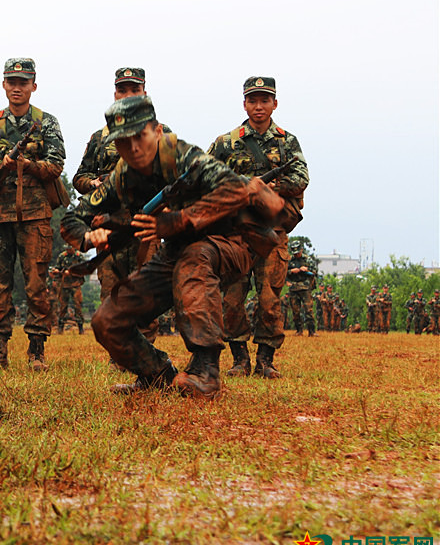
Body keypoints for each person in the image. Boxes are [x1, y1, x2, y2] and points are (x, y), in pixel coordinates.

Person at [61, 95, 285, 400]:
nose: (134, 149)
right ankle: (156, 375)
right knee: (106, 321)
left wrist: (179, 220)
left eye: (140, 137)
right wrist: (89, 237)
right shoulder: (122, 176)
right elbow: (72, 218)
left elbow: (235, 189)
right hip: (178, 252)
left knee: (194, 258)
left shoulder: (183, 157)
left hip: (232, 243)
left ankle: (206, 372)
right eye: (124, 143)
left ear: (156, 130)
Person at [0, 58, 66, 371]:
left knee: (36, 282)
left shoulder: (46, 122)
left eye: (23, 82)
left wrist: (24, 165)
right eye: (12, 82)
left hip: (35, 216)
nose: (17, 87)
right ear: (4, 84)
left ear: (34, 85)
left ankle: (36, 352)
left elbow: (56, 165)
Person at [208, 76, 309, 378]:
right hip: (237, 235)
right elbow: (205, 177)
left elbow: (301, 179)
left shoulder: (287, 141)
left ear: (274, 104)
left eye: (265, 100)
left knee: (269, 299)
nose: (258, 106)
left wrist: (267, 189)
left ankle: (266, 360)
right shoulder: (226, 142)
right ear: (244, 104)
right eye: (253, 100)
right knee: (232, 299)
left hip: (273, 233)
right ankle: (240, 360)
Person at [73, 67, 165, 306]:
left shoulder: (160, 133)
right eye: (122, 90)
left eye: (135, 90)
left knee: (146, 293)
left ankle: (144, 342)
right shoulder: (100, 138)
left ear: (144, 93)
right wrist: (93, 183)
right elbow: (79, 177)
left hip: (146, 226)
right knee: (111, 296)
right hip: (108, 225)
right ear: (115, 95)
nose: (128, 95)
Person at [286, 243, 318, 336]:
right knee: (295, 311)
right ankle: (299, 330)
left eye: (298, 252)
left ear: (301, 250)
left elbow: (314, 272)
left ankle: (312, 331)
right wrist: (291, 271)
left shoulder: (307, 260)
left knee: (308, 310)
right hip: (294, 288)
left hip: (305, 287)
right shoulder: (290, 261)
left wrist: (306, 270)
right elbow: (284, 273)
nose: (296, 255)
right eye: (294, 253)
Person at [54, 246, 86, 334]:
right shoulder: (62, 256)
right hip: (64, 284)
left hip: (76, 284)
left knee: (77, 305)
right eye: (66, 249)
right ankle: (60, 328)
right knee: (63, 306)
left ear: (73, 248)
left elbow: (84, 268)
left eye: (69, 249)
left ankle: (81, 328)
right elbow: (58, 267)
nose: (67, 250)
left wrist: (71, 272)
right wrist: (57, 271)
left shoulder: (79, 256)